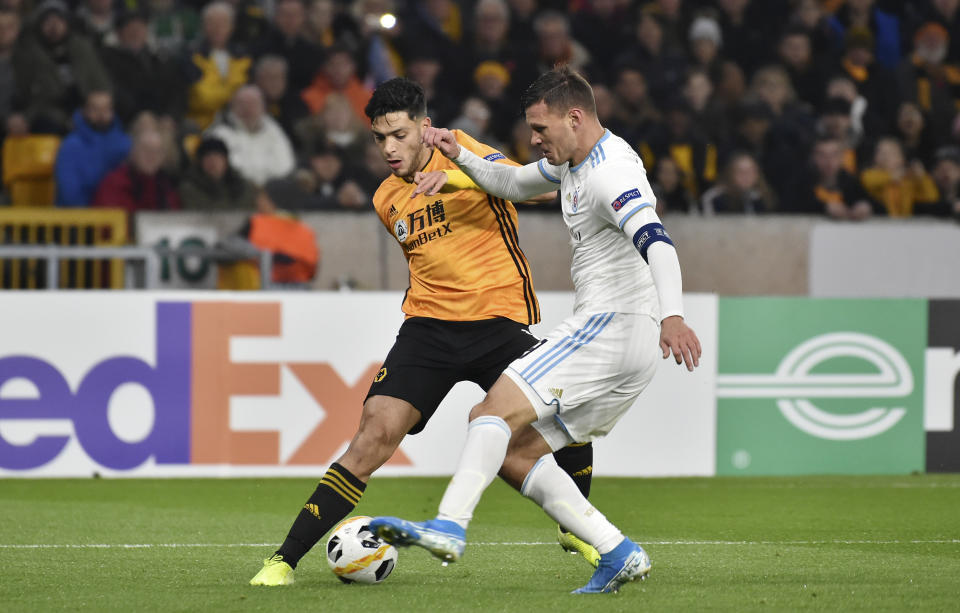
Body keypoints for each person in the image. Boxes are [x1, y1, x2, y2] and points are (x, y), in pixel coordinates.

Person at [249, 77, 599, 587]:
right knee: (373, 436)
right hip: (428, 330)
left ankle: (581, 528)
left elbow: (541, 188)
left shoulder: (462, 150)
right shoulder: (387, 198)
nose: (389, 148)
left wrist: (461, 177)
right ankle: (282, 560)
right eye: (378, 138)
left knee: (572, 408)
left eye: (398, 134)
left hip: (497, 323)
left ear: (424, 126)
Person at [369, 67, 701, 594]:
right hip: (628, 347)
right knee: (516, 449)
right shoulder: (574, 161)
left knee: (488, 413)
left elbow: (656, 241)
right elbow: (511, 182)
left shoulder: (610, 173)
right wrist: (457, 153)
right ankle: (617, 551)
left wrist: (674, 315)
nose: (533, 140)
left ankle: (449, 525)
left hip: (609, 326)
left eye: (540, 129)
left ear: (574, 118)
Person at [207, 84, 296, 187]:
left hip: (273, 189)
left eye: (253, 104)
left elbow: (285, 165)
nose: (248, 109)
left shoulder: (274, 131)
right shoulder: (219, 135)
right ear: (232, 107)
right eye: (242, 104)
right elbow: (228, 170)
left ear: (263, 107)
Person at [54, 89, 131, 206]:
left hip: (120, 217)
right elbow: (69, 194)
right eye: (95, 109)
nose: (101, 114)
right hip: (80, 219)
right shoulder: (70, 146)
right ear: (84, 111)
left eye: (106, 109)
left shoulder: (126, 144)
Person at [180, 136, 256, 210]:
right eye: (208, 157)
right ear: (200, 162)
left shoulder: (244, 187)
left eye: (217, 156)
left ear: (226, 160)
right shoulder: (190, 189)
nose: (213, 162)